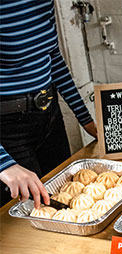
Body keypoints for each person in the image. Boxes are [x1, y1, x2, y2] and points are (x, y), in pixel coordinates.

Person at [0, 0, 97, 208]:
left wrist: (86, 120)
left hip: (49, 117)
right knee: (29, 219)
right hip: (7, 132)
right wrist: (4, 164)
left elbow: (52, 55)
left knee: (66, 204)